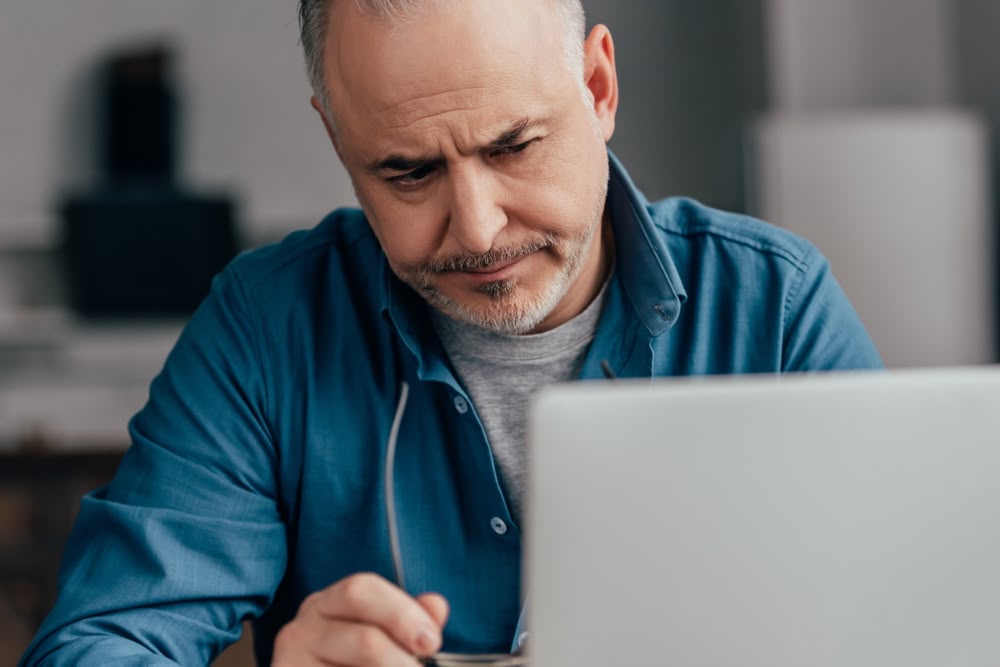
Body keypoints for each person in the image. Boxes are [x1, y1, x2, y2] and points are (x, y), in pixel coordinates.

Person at [21, 0, 882, 664]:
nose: (475, 228)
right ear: (337, 137)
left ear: (598, 88)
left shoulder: (774, 306)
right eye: (409, 170)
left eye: (513, 148)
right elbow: (100, 642)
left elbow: (911, 622)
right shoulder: (266, 327)